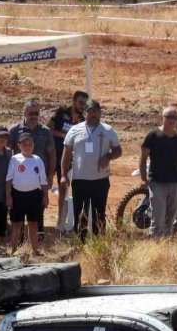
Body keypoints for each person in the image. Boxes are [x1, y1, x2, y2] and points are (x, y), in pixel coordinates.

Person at [59, 99, 122, 241]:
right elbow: (66, 153)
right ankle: (81, 244)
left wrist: (108, 156)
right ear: (84, 113)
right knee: (80, 213)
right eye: (90, 111)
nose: (93, 114)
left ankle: (99, 243)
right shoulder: (74, 130)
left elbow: (118, 150)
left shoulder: (107, 130)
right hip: (80, 180)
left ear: (100, 113)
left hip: (100, 180)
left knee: (99, 213)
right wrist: (63, 175)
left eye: (96, 111)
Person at [139, 106, 177, 237]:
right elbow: (143, 158)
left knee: (171, 217)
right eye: (169, 117)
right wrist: (143, 179)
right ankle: (156, 245)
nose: (171, 120)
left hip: (175, 183)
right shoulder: (152, 136)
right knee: (158, 218)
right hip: (157, 183)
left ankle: (166, 243)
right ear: (163, 118)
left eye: (174, 117)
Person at [9, 98, 55, 235]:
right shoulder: (14, 130)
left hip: (39, 180)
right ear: (24, 112)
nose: (34, 116)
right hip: (19, 180)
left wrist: (51, 175)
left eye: (36, 113)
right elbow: (7, 153)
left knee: (38, 210)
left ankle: (38, 240)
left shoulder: (45, 132)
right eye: (31, 113)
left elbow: (52, 155)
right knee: (18, 212)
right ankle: (19, 241)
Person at [49, 90, 88, 229]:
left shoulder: (83, 120)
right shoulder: (61, 112)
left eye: (85, 104)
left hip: (70, 158)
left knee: (64, 187)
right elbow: (49, 129)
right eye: (80, 102)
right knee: (48, 184)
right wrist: (64, 135)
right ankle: (53, 217)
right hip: (54, 154)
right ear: (74, 101)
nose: (82, 106)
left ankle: (64, 220)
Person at [6, 132, 49, 256]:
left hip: (34, 196)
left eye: (30, 144)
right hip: (18, 195)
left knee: (33, 223)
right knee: (16, 224)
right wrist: (8, 196)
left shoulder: (38, 160)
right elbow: (8, 179)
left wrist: (45, 196)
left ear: (33, 145)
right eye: (24, 144)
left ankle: (35, 249)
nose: (27, 146)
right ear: (19, 145)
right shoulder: (15, 159)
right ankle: (14, 249)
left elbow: (43, 180)